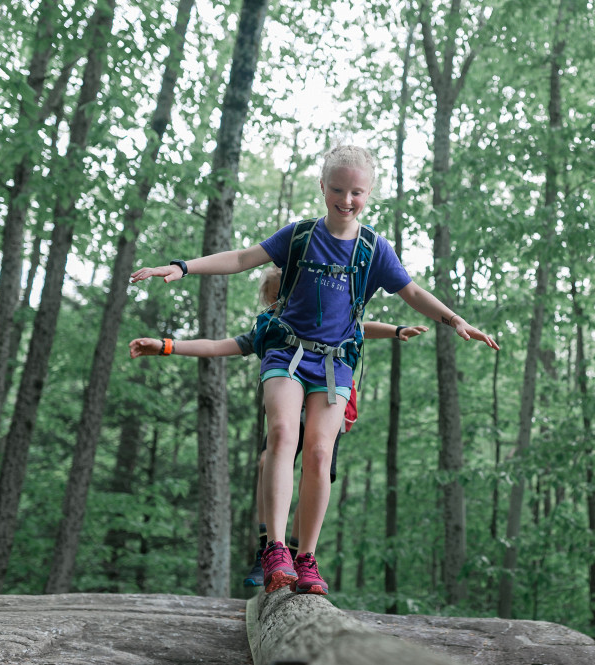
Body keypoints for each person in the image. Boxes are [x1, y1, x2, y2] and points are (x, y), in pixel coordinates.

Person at [131, 144, 499, 595]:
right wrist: (182, 267)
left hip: (335, 363)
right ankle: (275, 550)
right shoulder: (300, 236)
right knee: (283, 433)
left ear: (369, 194)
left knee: (320, 454)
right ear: (322, 187)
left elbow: (413, 292)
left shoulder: (373, 249)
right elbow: (243, 258)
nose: (346, 200)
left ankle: (306, 558)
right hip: (285, 352)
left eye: (356, 192)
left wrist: (455, 320)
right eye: (337, 190)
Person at [128, 266, 428, 587]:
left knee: (316, 469)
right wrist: (167, 345)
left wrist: (396, 330)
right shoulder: (270, 329)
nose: (281, 305)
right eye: (274, 301)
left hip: (326, 400)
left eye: (285, 297)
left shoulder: (324, 317)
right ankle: (269, 547)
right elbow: (217, 346)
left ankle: (300, 553)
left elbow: (361, 327)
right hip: (287, 398)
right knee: (268, 458)